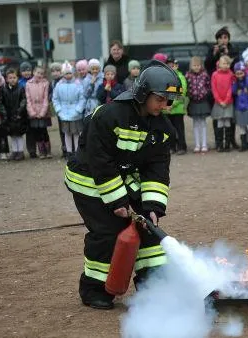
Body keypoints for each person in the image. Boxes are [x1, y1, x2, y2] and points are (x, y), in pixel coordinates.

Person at [64, 60, 180, 310]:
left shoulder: (162, 128)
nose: (165, 106)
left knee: (147, 229)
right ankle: (94, 289)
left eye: (169, 101)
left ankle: (152, 287)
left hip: (124, 180)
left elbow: (157, 169)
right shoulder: (109, 116)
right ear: (144, 93)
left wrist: (152, 206)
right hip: (89, 182)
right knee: (108, 233)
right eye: (160, 99)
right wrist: (117, 201)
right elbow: (100, 161)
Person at [205, 27, 239, 150]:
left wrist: (227, 54)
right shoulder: (212, 49)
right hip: (217, 86)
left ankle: (231, 141)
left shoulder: (233, 49)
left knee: (230, 116)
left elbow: (237, 65)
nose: (223, 40)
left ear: (228, 39)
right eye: (220, 38)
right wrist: (215, 54)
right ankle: (218, 142)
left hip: (230, 85)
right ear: (217, 39)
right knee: (218, 116)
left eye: (225, 37)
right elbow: (207, 65)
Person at [54, 62, 86, 157]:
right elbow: (55, 99)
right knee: (67, 133)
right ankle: (69, 152)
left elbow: (82, 98)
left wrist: (78, 110)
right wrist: (59, 110)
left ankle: (77, 151)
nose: (68, 75)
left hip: (75, 113)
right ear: (63, 74)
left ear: (73, 73)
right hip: (63, 113)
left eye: (70, 73)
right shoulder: (59, 85)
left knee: (76, 133)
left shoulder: (78, 84)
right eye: (66, 73)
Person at [0, 68, 27, 161]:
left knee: (19, 134)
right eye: (10, 78)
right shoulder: (3, 89)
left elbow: (24, 100)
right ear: (7, 79)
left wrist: (20, 111)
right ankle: (14, 151)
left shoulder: (21, 88)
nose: (12, 79)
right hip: (8, 116)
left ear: (17, 78)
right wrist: (4, 113)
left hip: (19, 115)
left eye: (14, 77)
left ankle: (20, 151)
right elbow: (1, 102)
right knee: (12, 135)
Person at [185, 56, 211, 153]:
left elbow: (209, 86)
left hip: (203, 101)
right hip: (193, 102)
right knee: (195, 124)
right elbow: (186, 88)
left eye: (198, 65)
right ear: (191, 66)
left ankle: (204, 144)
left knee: (203, 124)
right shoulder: (187, 75)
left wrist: (205, 93)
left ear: (201, 66)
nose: (196, 67)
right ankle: (197, 144)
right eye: (194, 65)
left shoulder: (205, 75)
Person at [25, 65, 52, 158]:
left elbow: (46, 99)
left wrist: (42, 112)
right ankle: (41, 151)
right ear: (34, 72)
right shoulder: (28, 84)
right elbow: (28, 99)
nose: (39, 75)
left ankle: (48, 151)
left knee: (44, 131)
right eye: (38, 72)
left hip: (42, 111)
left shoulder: (45, 83)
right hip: (33, 111)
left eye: (41, 73)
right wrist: (32, 112)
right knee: (37, 131)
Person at [211, 55, 235, 152]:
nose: (226, 65)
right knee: (220, 122)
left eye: (227, 63)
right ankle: (219, 144)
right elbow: (214, 89)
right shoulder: (215, 75)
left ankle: (227, 144)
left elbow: (230, 88)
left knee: (227, 122)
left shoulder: (231, 74)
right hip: (218, 102)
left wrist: (226, 100)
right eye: (224, 63)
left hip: (228, 102)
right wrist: (219, 100)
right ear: (219, 64)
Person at [164, 58, 188, 155]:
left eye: (172, 65)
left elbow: (181, 93)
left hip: (177, 109)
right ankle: (171, 147)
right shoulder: (164, 78)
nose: (170, 67)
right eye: (168, 65)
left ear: (177, 66)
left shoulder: (180, 78)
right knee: (169, 130)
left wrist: (171, 105)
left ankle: (182, 147)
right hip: (166, 110)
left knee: (179, 129)